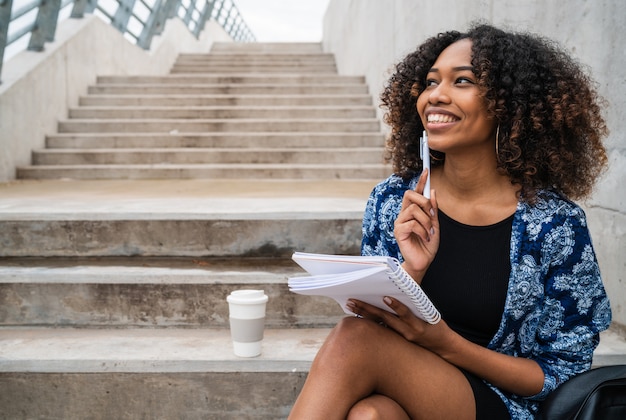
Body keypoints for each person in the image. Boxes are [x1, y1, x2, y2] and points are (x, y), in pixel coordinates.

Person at [288, 23, 612, 420]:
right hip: (411, 382)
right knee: (371, 415)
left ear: (510, 104)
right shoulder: (393, 201)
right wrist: (411, 272)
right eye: (429, 82)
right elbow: (376, 330)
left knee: (353, 339)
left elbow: (559, 374)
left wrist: (446, 343)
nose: (435, 96)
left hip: (502, 402)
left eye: (462, 81)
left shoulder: (555, 226)